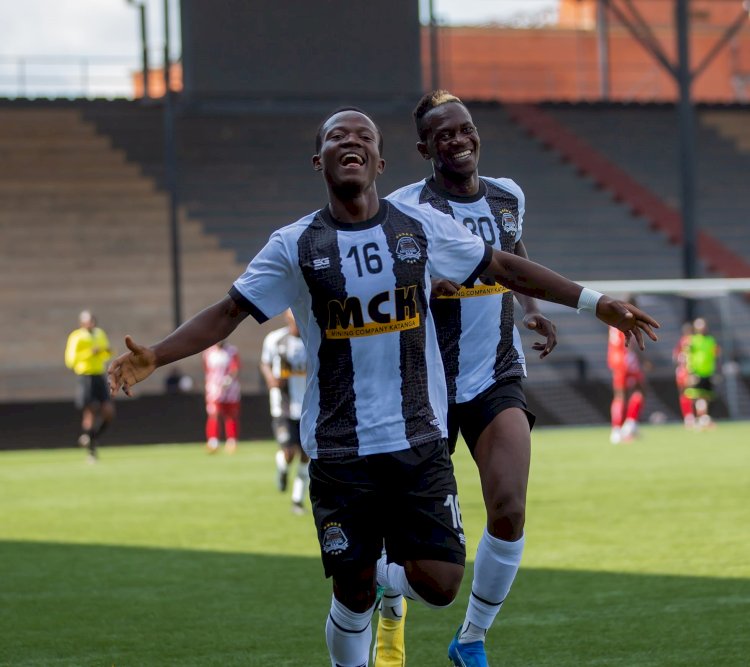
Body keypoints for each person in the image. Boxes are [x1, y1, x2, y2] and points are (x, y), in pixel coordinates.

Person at [107, 107, 659, 667]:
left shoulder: (418, 228)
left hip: (418, 436)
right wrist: (157, 353)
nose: (351, 142)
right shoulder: (294, 244)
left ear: (380, 161)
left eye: (363, 137)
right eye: (337, 138)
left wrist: (595, 302)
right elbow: (227, 312)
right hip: (340, 447)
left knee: (442, 583)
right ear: (318, 161)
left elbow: (504, 267)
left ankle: (418, 602)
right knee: (350, 593)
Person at [379, 89, 557, 667]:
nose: (458, 140)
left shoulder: (508, 197)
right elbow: (383, 286)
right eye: (444, 134)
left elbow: (513, 253)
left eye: (465, 128)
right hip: (424, 387)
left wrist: (531, 307)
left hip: (495, 375)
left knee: (508, 506)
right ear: (425, 147)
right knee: (416, 551)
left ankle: (473, 639)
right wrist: (425, 288)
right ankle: (387, 593)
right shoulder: (403, 207)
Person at [260, 309, 310, 514]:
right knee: (289, 452)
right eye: (294, 318)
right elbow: (264, 362)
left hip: (307, 406)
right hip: (283, 405)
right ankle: (282, 468)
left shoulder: (312, 339)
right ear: (287, 318)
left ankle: (297, 501)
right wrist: (270, 379)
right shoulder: (275, 339)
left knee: (307, 455)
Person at [64, 310, 115, 462]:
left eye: (93, 321)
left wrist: (105, 352)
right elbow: (70, 360)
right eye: (88, 321)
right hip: (85, 375)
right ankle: (92, 452)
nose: (91, 324)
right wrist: (89, 353)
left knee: (108, 411)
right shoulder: (76, 337)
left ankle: (90, 437)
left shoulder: (99, 334)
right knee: (90, 412)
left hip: (99, 375)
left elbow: (105, 353)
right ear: (82, 323)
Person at [607, 303, 647, 444]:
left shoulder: (613, 320)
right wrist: (643, 360)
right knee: (639, 390)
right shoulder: (630, 318)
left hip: (614, 359)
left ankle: (616, 431)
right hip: (627, 359)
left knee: (619, 395)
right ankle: (630, 425)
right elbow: (632, 343)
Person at [202, 340, 241, 453]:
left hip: (231, 389)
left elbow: (235, 368)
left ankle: (232, 441)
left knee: (231, 414)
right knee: (213, 414)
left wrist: (228, 380)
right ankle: (213, 441)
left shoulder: (232, 351)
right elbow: (207, 370)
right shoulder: (208, 352)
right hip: (214, 389)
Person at [684, 317, 720, 430]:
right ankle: (702, 418)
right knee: (699, 397)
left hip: (708, 372)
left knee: (706, 397)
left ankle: (701, 419)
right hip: (697, 373)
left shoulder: (711, 340)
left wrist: (717, 371)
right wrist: (690, 372)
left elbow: (716, 356)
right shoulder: (692, 341)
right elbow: (687, 357)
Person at [673, 321, 696, 428]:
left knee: (684, 394)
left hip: (681, 371)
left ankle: (689, 417)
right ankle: (691, 417)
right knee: (690, 393)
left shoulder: (682, 341)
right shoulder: (691, 341)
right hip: (688, 371)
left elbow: (675, 356)